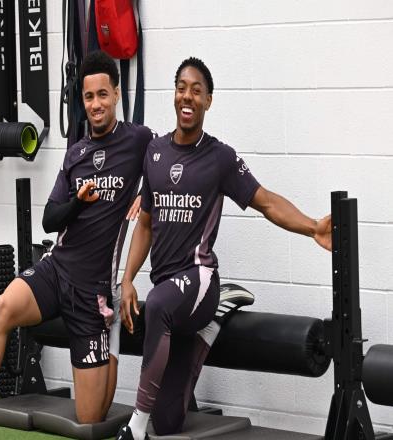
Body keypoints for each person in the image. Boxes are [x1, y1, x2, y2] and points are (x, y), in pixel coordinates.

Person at [116, 57, 332, 440]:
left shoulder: (220, 158)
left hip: (198, 279)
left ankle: (134, 427)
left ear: (208, 101)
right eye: (181, 88)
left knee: (159, 305)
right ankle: (208, 329)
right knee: (167, 422)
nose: (187, 96)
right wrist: (128, 278)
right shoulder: (154, 153)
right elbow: (145, 223)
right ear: (174, 94)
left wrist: (312, 227)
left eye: (196, 91)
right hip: (171, 291)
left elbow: (267, 202)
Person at [0, 50, 155, 440]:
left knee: (91, 415)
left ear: (115, 94)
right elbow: (49, 219)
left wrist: (144, 196)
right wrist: (78, 200)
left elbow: (167, 165)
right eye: (88, 97)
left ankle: (111, 331)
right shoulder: (76, 152)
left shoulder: (138, 140)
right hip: (55, 270)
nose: (95, 104)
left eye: (102, 95)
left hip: (94, 291)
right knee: (2, 308)